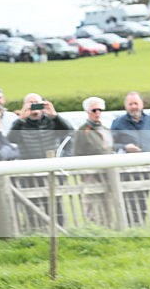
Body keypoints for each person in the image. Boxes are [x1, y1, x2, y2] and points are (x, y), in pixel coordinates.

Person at [7, 93, 74, 229]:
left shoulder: (52, 121)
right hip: (30, 171)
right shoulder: (21, 124)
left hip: (51, 169)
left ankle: (58, 230)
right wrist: (21, 119)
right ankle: (34, 231)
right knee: (32, 203)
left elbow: (69, 131)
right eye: (30, 103)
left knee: (56, 203)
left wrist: (55, 116)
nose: (34, 106)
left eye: (37, 102)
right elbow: (11, 138)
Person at [111, 91, 150, 226]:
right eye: (130, 104)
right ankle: (129, 224)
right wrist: (125, 147)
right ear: (126, 106)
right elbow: (109, 144)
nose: (133, 106)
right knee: (129, 198)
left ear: (141, 104)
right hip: (127, 169)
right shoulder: (118, 122)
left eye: (136, 103)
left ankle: (140, 224)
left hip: (147, 167)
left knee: (143, 197)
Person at [73, 97, 113, 224]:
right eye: (94, 110)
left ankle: (109, 224)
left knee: (108, 201)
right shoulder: (82, 131)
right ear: (88, 112)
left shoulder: (106, 130)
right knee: (92, 203)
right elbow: (78, 154)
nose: (97, 113)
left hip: (107, 173)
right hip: (91, 174)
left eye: (99, 110)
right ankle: (93, 225)